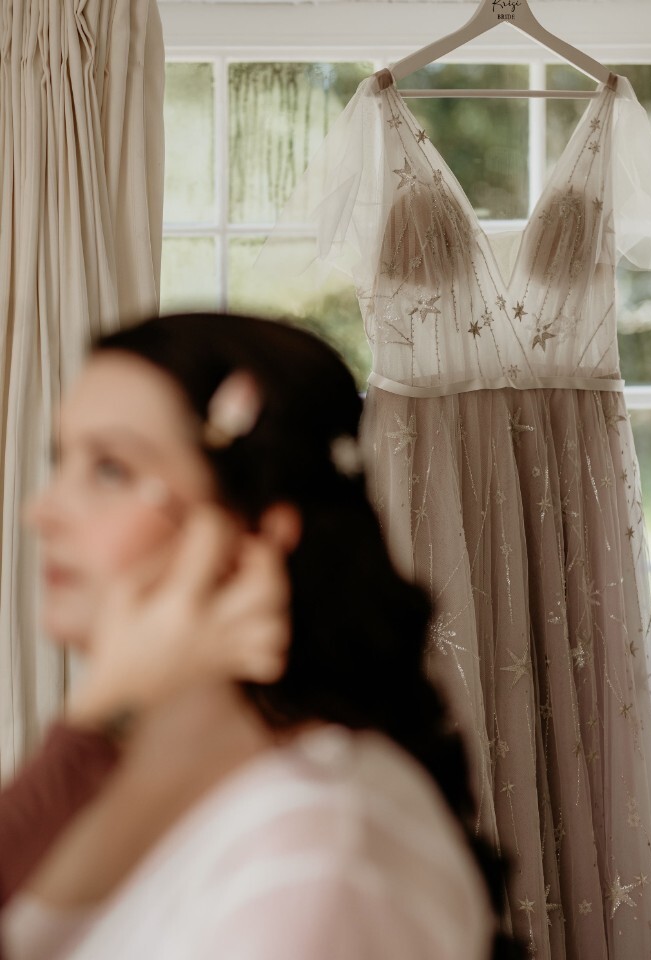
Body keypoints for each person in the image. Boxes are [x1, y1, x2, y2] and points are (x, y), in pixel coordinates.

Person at [1, 312, 519, 960]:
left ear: (255, 533)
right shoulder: (96, 780)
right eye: (61, 459)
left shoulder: (318, 852)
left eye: (110, 469)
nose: (41, 511)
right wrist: (93, 722)